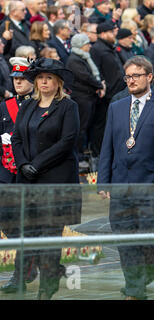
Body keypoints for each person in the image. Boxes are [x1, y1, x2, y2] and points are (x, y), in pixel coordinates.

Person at [97, 56, 154, 300]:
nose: (131, 81)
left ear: (149, 77)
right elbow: (107, 147)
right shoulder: (116, 106)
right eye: (128, 77)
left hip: (152, 186)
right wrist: (104, 180)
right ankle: (134, 289)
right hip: (121, 184)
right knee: (125, 240)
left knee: (151, 240)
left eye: (136, 76)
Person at [11, 57, 81, 300]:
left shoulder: (67, 106)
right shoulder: (28, 106)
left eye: (48, 78)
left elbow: (67, 141)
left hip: (55, 180)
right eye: (40, 77)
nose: (43, 82)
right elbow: (16, 138)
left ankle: (47, 288)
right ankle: (33, 276)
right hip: (28, 181)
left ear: (58, 82)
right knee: (28, 235)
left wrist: (37, 165)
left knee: (49, 237)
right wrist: (22, 164)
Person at [0, 57, 37, 294]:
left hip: (29, 172)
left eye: (22, 79)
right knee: (5, 218)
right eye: (15, 79)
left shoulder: (38, 105)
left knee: (26, 224)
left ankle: (21, 273)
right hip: (6, 172)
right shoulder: (4, 106)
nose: (18, 83)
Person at [89, 21, 126, 169]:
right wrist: (103, 86)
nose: (114, 35)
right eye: (111, 32)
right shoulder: (97, 49)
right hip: (106, 96)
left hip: (117, 93)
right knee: (101, 127)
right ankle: (97, 157)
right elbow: (96, 70)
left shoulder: (110, 48)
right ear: (103, 34)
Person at [66, 33, 104, 171]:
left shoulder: (82, 58)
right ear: (81, 45)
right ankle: (79, 156)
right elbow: (85, 77)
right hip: (81, 98)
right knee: (81, 128)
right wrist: (99, 85)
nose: (89, 46)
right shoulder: (74, 60)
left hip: (88, 97)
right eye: (87, 44)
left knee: (86, 126)